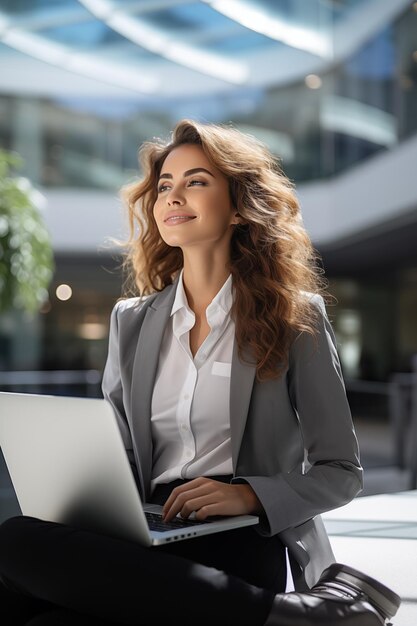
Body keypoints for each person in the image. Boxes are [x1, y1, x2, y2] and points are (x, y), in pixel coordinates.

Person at [0, 120, 400, 625]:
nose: (172, 196)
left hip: (242, 531)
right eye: (164, 185)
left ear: (238, 207)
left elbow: (342, 471)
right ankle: (292, 618)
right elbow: (121, 446)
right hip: (147, 525)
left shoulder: (295, 316)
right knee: (28, 568)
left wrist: (248, 493)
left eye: (196, 181)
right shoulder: (132, 321)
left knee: (16, 551)